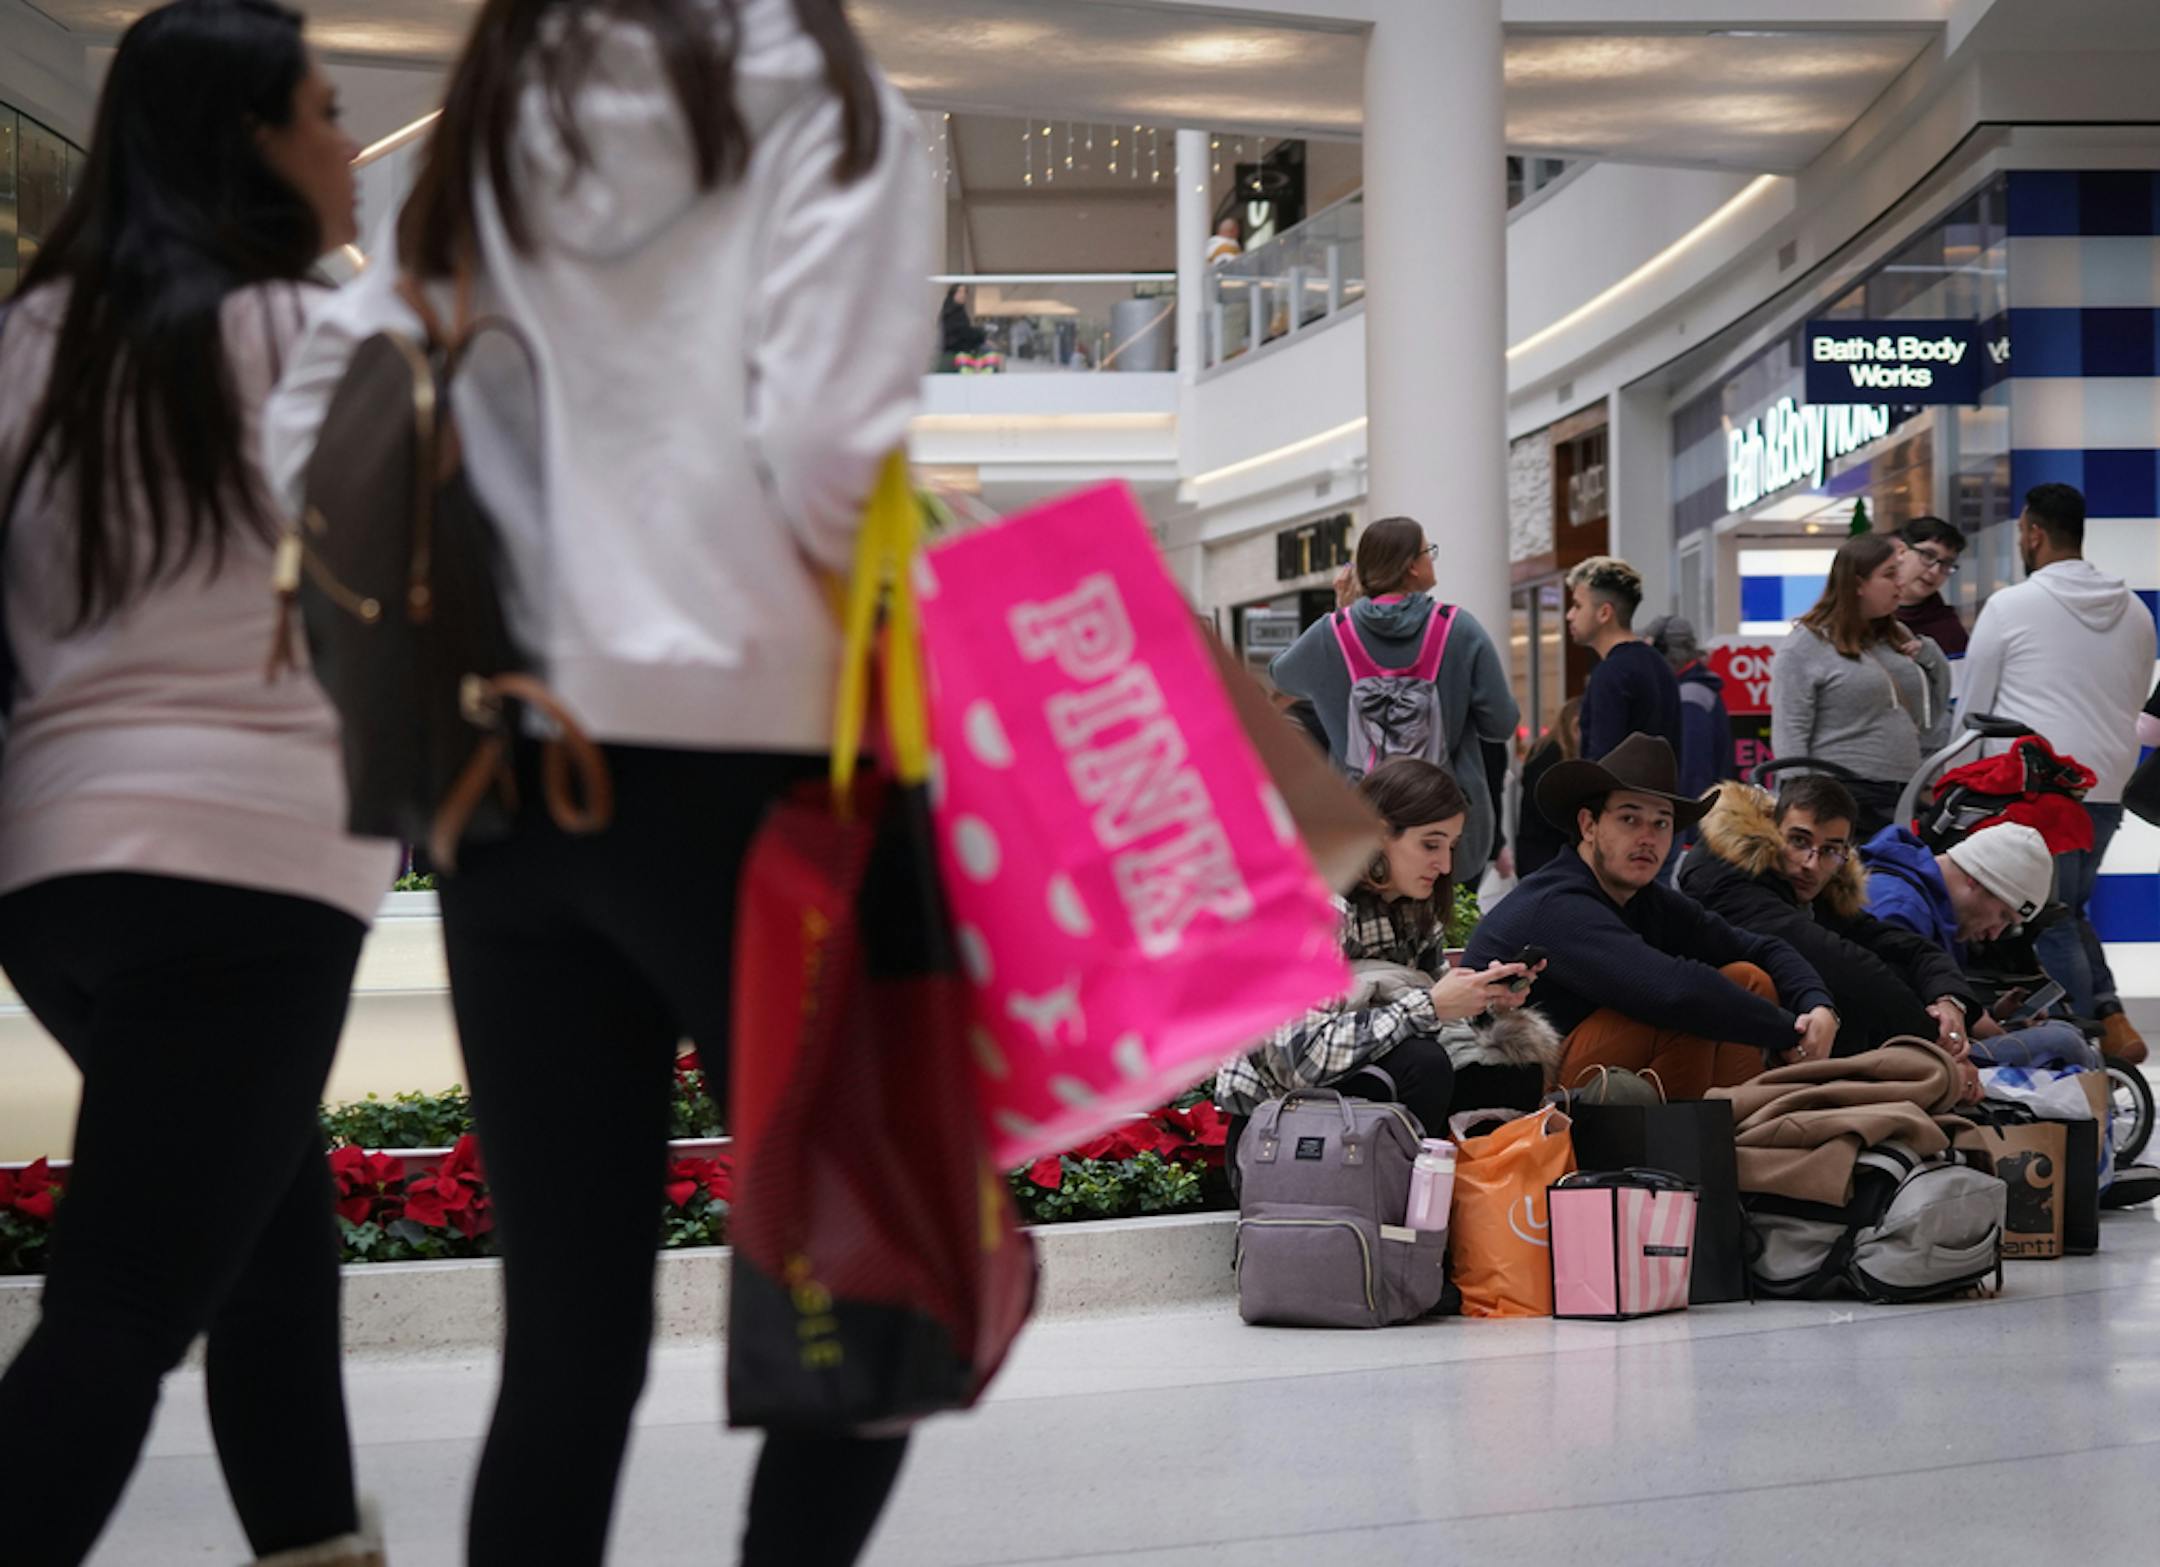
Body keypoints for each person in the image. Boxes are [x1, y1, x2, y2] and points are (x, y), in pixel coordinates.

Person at [266, 2, 934, 1563]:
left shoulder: (504, 108)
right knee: (871, 1299)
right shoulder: (832, 102)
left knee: (567, 1352)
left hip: (515, 790)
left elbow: (323, 417)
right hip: (764, 778)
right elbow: (836, 443)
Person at [0, 5, 397, 1564]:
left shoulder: (29, 341)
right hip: (251, 874)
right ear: (249, 140)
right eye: (323, 110)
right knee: (123, 1301)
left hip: (53, 882)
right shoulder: (317, 336)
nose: (347, 146)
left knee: (275, 1259)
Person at [1466, 734, 1837, 1098]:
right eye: (1630, 819)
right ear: (1588, 825)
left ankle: (1738, 1131)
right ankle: (1694, 1148)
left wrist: (1816, 1006)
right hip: (1513, 1091)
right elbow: (1674, 994)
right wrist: (1791, 1032)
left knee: (1747, 978)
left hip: (1590, 1073)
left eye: (1661, 823)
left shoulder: (1645, 898)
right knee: (1688, 1011)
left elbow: (1759, 947)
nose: (1648, 837)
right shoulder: (1557, 902)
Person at [1214, 760, 1555, 1155]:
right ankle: (1402, 1201)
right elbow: (1299, 1060)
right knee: (1423, 1064)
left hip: (1354, 1109)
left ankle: (1468, 1195)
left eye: (1452, 846)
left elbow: (1435, 1020)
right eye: (1431, 844)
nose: (1445, 865)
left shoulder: (1416, 916)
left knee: (1513, 1073)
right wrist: (1428, 1005)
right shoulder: (1315, 906)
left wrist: (1481, 998)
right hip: (1279, 1139)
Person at [1681, 779, 2091, 1076]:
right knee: (2064, 1043)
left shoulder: (1821, 885)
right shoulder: (1727, 877)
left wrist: (1953, 1002)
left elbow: (1905, 948)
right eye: (1799, 841)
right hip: (1835, 1048)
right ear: (1772, 833)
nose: (1811, 863)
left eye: (1829, 851)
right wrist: (1938, 1041)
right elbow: (1840, 961)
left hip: (1862, 1044)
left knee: (2061, 1042)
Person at [1961, 482, 2157, 1063]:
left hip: (2036, 787)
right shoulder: (2137, 612)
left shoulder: (2010, 607)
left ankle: (2078, 1047)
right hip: (2107, 786)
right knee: (2069, 909)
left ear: (2033, 532)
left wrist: (1955, 785)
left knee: (2049, 919)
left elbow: (1975, 709)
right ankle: (2111, 1018)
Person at [1268, 516, 1519, 869]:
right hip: (1449, 829)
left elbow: (1281, 676)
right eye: (1427, 551)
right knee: (1446, 918)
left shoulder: (1332, 634)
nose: (1432, 558)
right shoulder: (1458, 629)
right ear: (1411, 567)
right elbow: (1501, 724)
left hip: (1362, 824)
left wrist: (1341, 616)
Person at [1769, 532, 1952, 838]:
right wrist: (1800, 807)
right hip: (1843, 794)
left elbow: (1932, 711)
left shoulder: (1897, 635)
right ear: (1857, 584)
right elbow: (1790, 730)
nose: (1900, 584)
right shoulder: (1806, 645)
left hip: (1904, 791)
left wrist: (1930, 655)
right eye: (1889, 575)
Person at [1565, 556, 1681, 761]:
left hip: (1621, 793)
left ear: (1604, 613)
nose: (1570, 615)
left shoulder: (1610, 674)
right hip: (1662, 792)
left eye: (1577, 606)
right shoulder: (1659, 664)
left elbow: (1603, 765)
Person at [1643, 612, 1735, 807]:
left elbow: (1694, 773)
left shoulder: (1689, 698)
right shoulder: (1697, 691)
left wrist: (1687, 829)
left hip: (1693, 822)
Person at [1514, 697, 1581, 878]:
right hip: (1545, 852)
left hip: (1537, 850)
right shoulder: (1553, 755)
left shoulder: (1543, 750)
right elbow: (1544, 806)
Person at [1894, 515, 1970, 659]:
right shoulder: (1864, 614)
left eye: (1946, 564)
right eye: (1928, 556)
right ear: (1901, 551)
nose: (1935, 571)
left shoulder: (1949, 630)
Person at [939, 282, 985, 360]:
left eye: (964, 292)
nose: (963, 295)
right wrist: (980, 333)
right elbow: (961, 331)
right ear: (953, 293)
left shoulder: (957, 309)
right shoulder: (952, 311)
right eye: (960, 291)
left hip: (958, 351)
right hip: (955, 352)